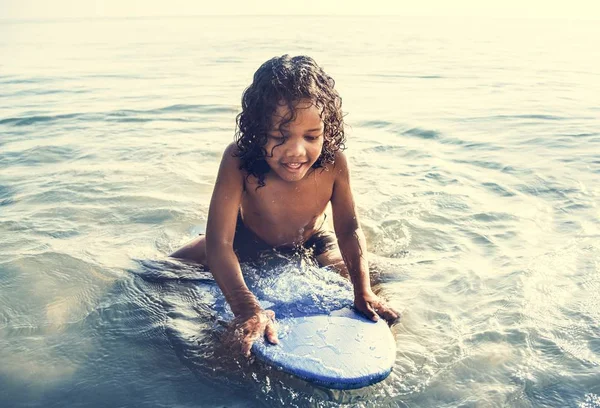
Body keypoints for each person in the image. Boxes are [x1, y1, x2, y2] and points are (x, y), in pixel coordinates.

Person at [170, 55, 399, 356]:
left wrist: (362, 290)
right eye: (279, 136)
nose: (296, 151)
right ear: (257, 130)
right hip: (246, 241)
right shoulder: (238, 160)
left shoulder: (334, 163)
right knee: (161, 272)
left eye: (311, 136)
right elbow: (220, 242)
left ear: (326, 131)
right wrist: (245, 307)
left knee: (388, 274)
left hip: (310, 242)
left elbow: (348, 228)